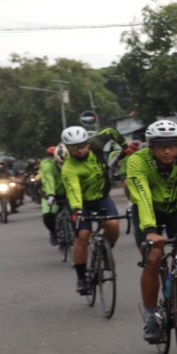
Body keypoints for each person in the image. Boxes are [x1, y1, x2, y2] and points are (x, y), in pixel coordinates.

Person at [125, 120, 177, 343]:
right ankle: (151, 315)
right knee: (153, 257)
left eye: (172, 145)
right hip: (147, 211)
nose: (167, 151)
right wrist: (151, 231)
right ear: (150, 146)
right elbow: (142, 196)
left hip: (174, 210)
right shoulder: (137, 160)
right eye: (161, 146)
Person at [61, 124, 125, 295]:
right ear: (67, 148)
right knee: (82, 235)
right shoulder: (69, 168)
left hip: (102, 197)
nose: (79, 150)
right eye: (74, 148)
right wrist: (77, 210)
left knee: (112, 224)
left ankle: (106, 252)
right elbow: (73, 191)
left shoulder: (96, 145)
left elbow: (111, 132)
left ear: (88, 143)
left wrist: (124, 147)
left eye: (82, 146)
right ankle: (81, 278)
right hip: (81, 202)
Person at [38, 145, 67, 246]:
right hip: (52, 194)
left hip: (69, 193)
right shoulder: (47, 165)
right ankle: (53, 233)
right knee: (48, 216)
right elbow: (49, 181)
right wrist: (51, 195)